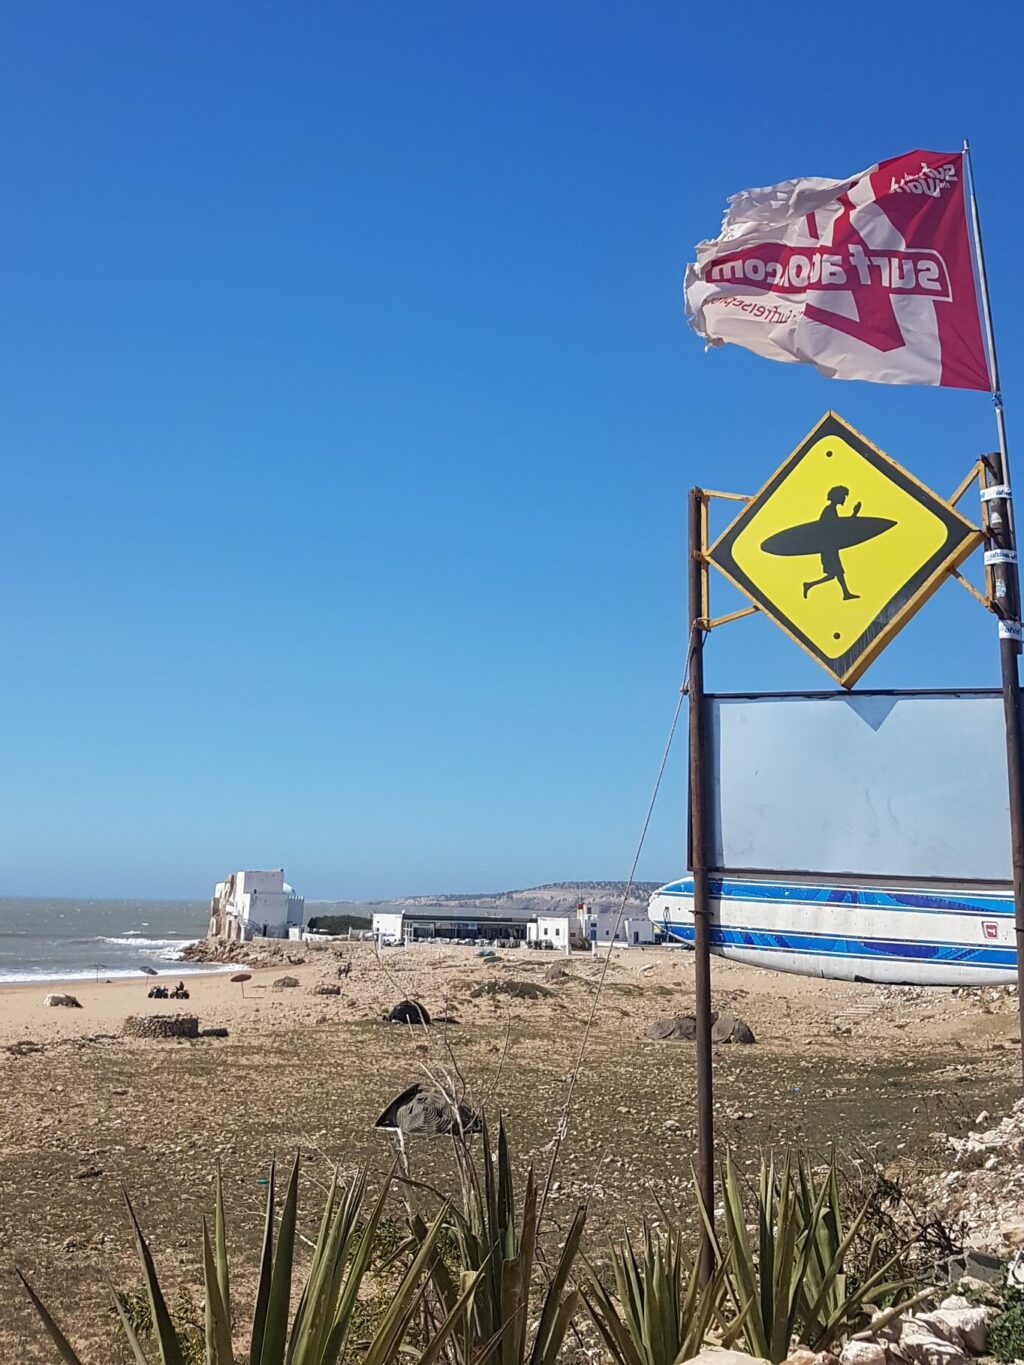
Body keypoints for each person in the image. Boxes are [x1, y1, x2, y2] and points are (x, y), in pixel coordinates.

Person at [802, 485, 862, 601]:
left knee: (838, 572)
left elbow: (839, 529)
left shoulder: (832, 510)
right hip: (828, 548)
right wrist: (854, 514)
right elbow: (836, 529)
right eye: (843, 496)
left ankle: (845, 593)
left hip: (831, 547)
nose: (844, 499)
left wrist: (854, 514)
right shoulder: (829, 511)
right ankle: (809, 585)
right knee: (835, 573)